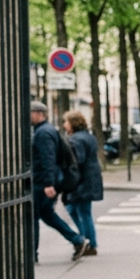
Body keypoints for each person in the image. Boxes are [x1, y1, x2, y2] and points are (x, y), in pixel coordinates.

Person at [30, 101, 89, 262]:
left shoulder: (43, 132)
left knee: (33, 215)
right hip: (46, 180)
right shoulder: (47, 130)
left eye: (31, 113)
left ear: (38, 114)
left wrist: (48, 183)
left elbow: (48, 158)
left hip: (42, 182)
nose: (28, 116)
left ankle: (31, 254)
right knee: (46, 214)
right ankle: (77, 240)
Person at [62, 110, 103, 256]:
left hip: (81, 181)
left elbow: (77, 161)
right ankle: (87, 241)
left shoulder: (76, 139)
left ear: (72, 123)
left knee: (82, 212)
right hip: (90, 179)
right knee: (78, 210)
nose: (64, 125)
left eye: (66, 122)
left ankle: (89, 243)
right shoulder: (88, 136)